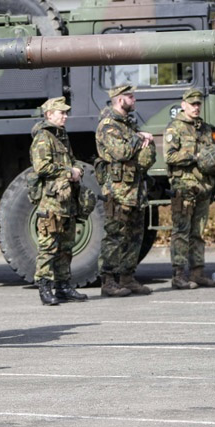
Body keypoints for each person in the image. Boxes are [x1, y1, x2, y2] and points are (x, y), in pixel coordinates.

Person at [95, 84, 156, 297]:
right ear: (120, 100)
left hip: (135, 189)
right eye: (130, 96)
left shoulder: (127, 125)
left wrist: (139, 138)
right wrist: (140, 138)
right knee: (115, 235)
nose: (134, 99)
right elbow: (120, 152)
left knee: (135, 234)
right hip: (118, 191)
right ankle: (109, 280)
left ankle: (128, 277)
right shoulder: (108, 125)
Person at [30, 96, 89, 305]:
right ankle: (45, 287)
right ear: (49, 115)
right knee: (49, 246)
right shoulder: (44, 137)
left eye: (65, 113)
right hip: (51, 202)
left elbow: (71, 161)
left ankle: (64, 286)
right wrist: (68, 171)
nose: (65, 116)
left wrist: (77, 169)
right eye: (61, 113)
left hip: (66, 201)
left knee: (66, 245)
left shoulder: (61, 136)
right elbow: (42, 167)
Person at [164, 88, 215, 289]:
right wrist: (195, 156)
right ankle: (179, 275)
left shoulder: (205, 128)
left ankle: (197, 273)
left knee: (198, 231)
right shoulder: (175, 128)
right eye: (192, 104)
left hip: (203, 187)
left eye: (198, 104)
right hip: (184, 187)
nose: (196, 107)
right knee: (181, 231)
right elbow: (170, 156)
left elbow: (213, 152)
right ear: (184, 105)